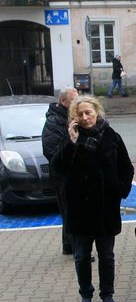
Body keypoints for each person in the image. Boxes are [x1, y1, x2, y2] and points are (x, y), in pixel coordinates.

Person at [51, 96, 134, 302]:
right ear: (74, 118)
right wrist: (72, 142)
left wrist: (119, 190)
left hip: (106, 207)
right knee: (81, 255)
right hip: (80, 209)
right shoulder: (70, 138)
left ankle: (107, 294)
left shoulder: (111, 136)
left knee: (106, 255)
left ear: (97, 112)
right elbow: (57, 168)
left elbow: (126, 168)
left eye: (89, 112)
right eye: (80, 114)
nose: (85, 117)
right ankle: (85, 295)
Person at [42, 86, 79, 255]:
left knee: (72, 211)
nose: (77, 103)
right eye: (73, 100)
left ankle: (69, 246)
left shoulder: (75, 117)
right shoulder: (54, 121)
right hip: (64, 176)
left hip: (75, 175)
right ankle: (76, 248)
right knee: (70, 212)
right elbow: (51, 151)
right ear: (63, 101)